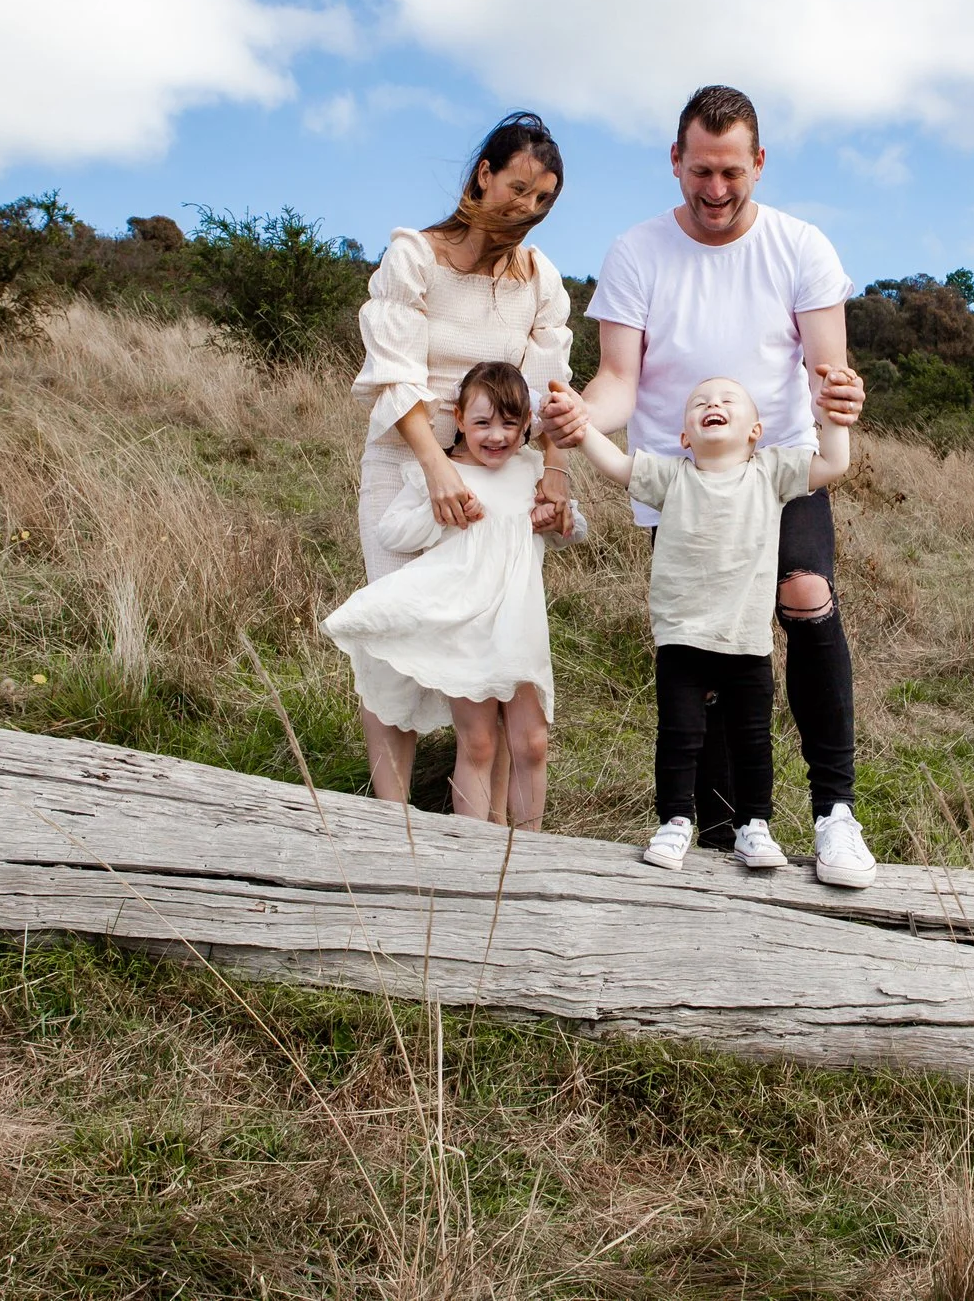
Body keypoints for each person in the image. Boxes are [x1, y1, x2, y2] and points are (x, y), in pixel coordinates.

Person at [541, 85, 878, 888]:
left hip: (778, 466)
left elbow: (827, 373)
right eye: (701, 172)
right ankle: (725, 826)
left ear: (758, 163)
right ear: (675, 162)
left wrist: (845, 401)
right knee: (708, 644)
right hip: (682, 478)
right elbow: (621, 378)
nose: (716, 190)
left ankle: (835, 811)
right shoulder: (637, 252)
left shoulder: (803, 249)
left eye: (733, 172)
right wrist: (577, 418)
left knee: (802, 589)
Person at [351, 112, 576, 811]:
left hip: (499, 475)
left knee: (494, 651)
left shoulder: (540, 281)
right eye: (518, 189)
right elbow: (395, 372)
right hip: (408, 463)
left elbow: (548, 393)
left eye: (543, 199)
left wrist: (556, 474)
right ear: (484, 174)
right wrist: (436, 466)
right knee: (401, 634)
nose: (528, 209)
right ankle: (394, 821)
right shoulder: (415, 257)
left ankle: (490, 843)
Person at [563, 373, 850, 871]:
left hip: (747, 640)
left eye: (726, 400)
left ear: (756, 430)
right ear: (684, 437)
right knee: (680, 735)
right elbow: (614, 463)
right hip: (681, 638)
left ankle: (753, 826)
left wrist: (830, 417)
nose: (712, 404)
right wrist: (580, 420)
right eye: (699, 402)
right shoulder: (671, 476)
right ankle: (675, 821)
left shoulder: (772, 472)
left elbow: (835, 462)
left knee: (752, 740)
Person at [323, 363, 584, 827]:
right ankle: (472, 853)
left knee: (532, 742)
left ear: (527, 425)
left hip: (519, 626)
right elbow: (394, 531)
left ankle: (530, 850)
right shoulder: (441, 477)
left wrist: (556, 519)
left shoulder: (530, 470)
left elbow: (571, 528)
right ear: (458, 419)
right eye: (482, 422)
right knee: (479, 742)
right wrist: (441, 512)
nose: (497, 436)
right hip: (465, 628)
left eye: (510, 423)